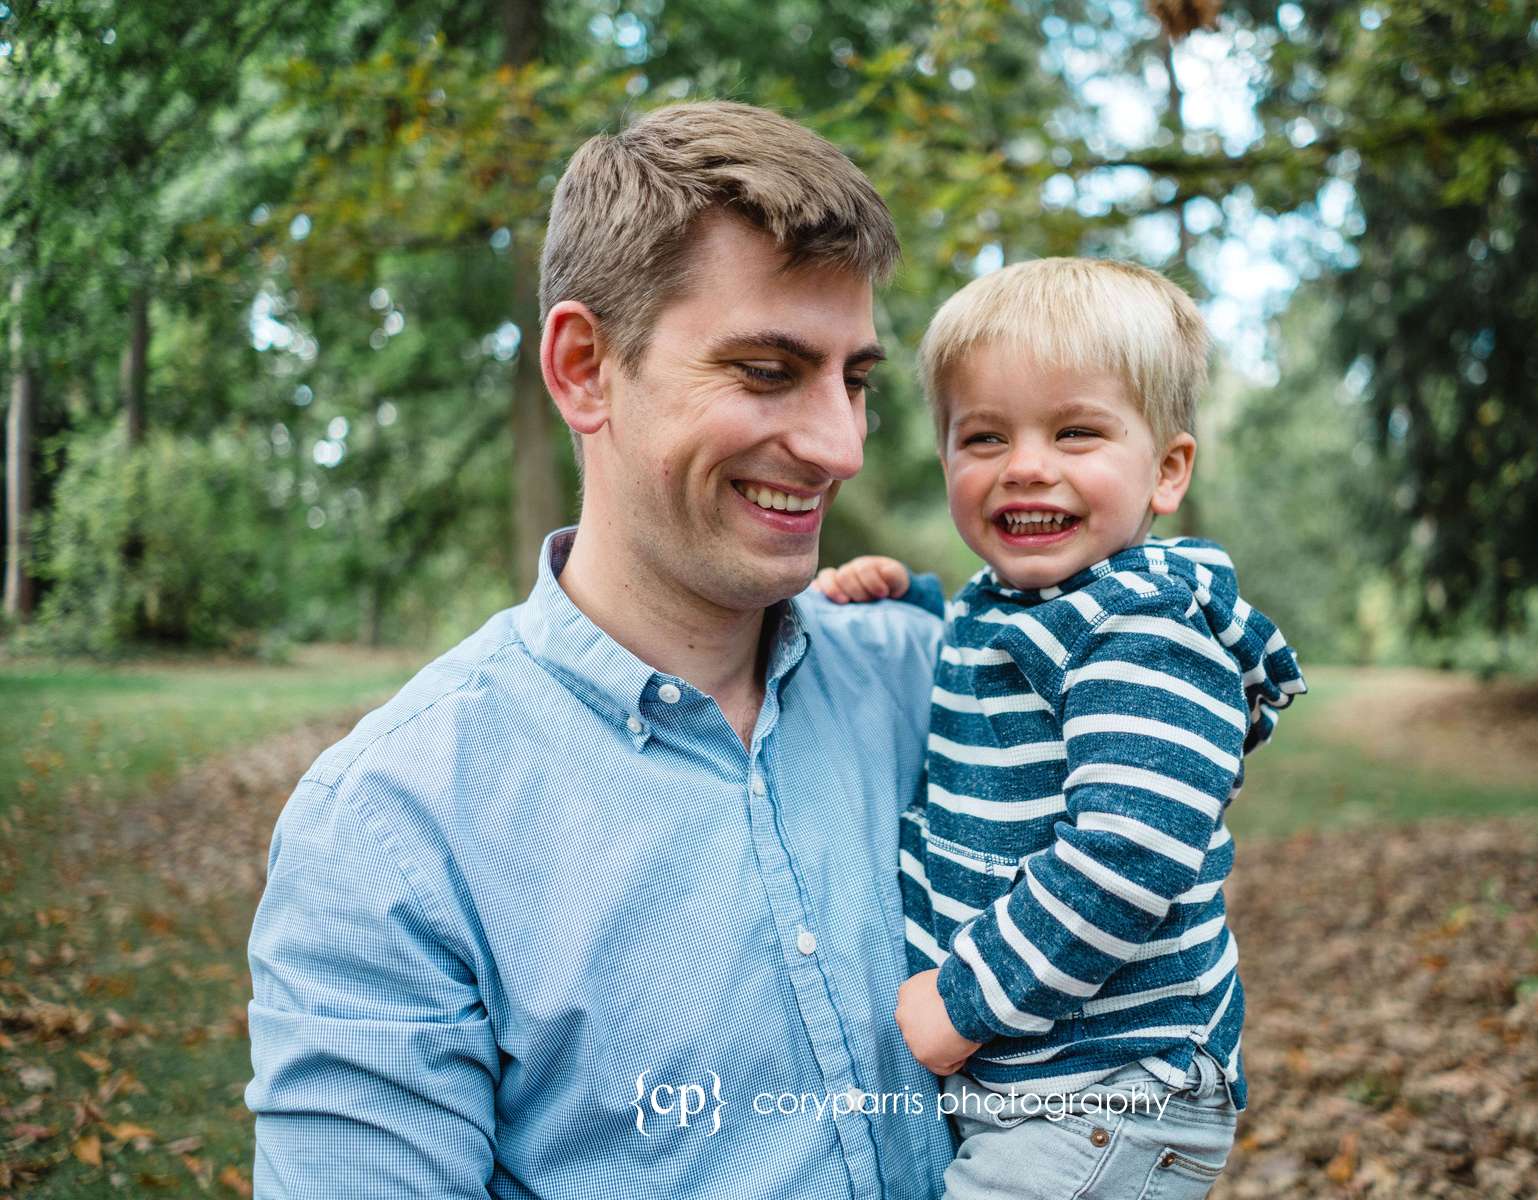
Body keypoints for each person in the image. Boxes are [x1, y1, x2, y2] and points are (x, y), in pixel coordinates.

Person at [245, 102, 955, 1198]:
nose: (839, 445)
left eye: (853, 379)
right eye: (769, 371)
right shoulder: (394, 829)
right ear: (583, 368)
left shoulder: (928, 684)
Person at [813, 258, 1307, 1198]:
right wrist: (912, 601)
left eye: (1076, 432)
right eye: (984, 437)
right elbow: (997, 659)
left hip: (1113, 1091)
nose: (1026, 464)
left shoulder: (1144, 631)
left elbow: (1127, 856)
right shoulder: (1020, 603)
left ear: (1166, 471)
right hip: (1049, 1079)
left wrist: (965, 999)